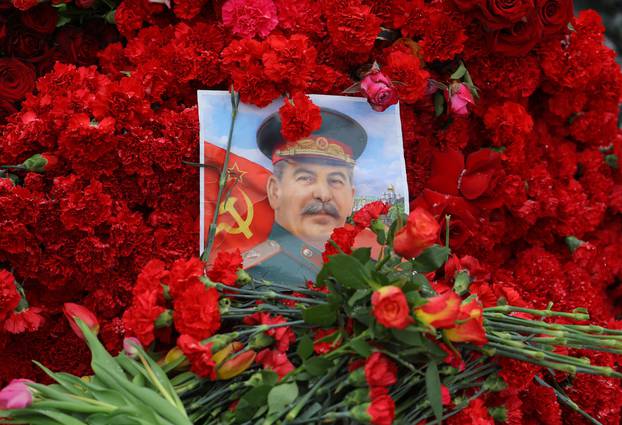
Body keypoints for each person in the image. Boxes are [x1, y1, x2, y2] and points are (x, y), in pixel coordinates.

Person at [242, 108, 367, 288]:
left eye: (336, 180)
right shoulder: (251, 276)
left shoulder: (368, 270)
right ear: (275, 191)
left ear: (351, 197)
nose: (323, 195)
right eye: (306, 178)